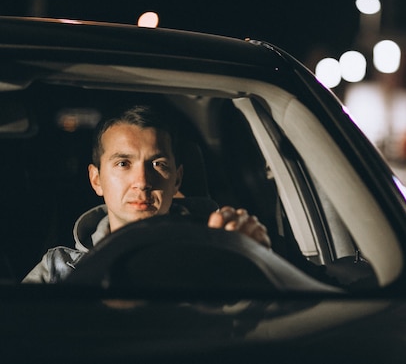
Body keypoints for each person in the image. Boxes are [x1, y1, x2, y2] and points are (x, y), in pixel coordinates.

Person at [23, 104, 271, 283]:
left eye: (158, 164)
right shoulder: (58, 269)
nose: (142, 182)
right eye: (123, 163)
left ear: (177, 180)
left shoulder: (215, 254)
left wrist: (252, 258)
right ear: (96, 179)